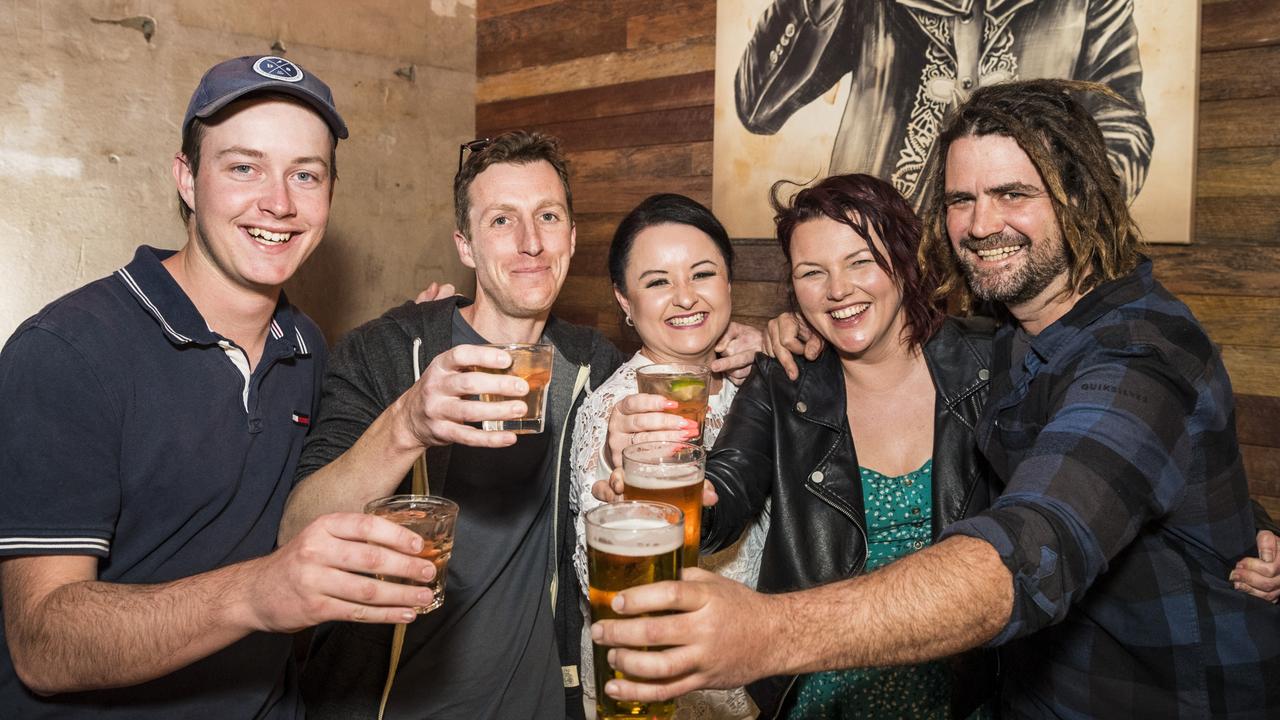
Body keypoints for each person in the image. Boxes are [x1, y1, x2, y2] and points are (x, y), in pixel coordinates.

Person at [592, 80, 1280, 718]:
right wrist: (664, 484)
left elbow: (1037, 541)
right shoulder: (1016, 341)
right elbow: (1133, 465)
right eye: (960, 200)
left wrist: (765, 630)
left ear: (1078, 193)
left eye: (1013, 193)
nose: (982, 224)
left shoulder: (1128, 348)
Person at [0, 56, 440, 719]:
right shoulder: (67, 351)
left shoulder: (305, 348)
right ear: (186, 177)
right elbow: (42, 643)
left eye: (305, 174)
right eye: (243, 167)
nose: (279, 202)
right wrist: (258, 593)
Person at [279, 133, 763, 719]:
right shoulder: (384, 354)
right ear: (465, 244)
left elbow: (680, 351)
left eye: (548, 216)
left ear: (572, 237)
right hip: (388, 703)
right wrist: (406, 424)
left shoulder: (592, 364)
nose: (531, 243)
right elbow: (296, 533)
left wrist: (762, 340)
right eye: (502, 220)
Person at [600, 176, 999, 718]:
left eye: (860, 262)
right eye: (813, 272)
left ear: (906, 259)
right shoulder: (785, 379)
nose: (837, 290)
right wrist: (674, 483)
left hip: (965, 694)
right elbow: (731, 482)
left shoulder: (990, 366)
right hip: (815, 691)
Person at [569, 194, 770, 719]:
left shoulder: (758, 383)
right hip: (655, 686)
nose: (685, 298)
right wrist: (623, 481)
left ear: (729, 283)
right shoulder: (617, 411)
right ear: (624, 301)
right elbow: (596, 548)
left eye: (702, 274)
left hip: (759, 671)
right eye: (657, 281)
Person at [735, 0, 1153, 207]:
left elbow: (1122, 125)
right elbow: (758, 107)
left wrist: (1059, 214)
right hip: (873, 276)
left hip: (1010, 294)